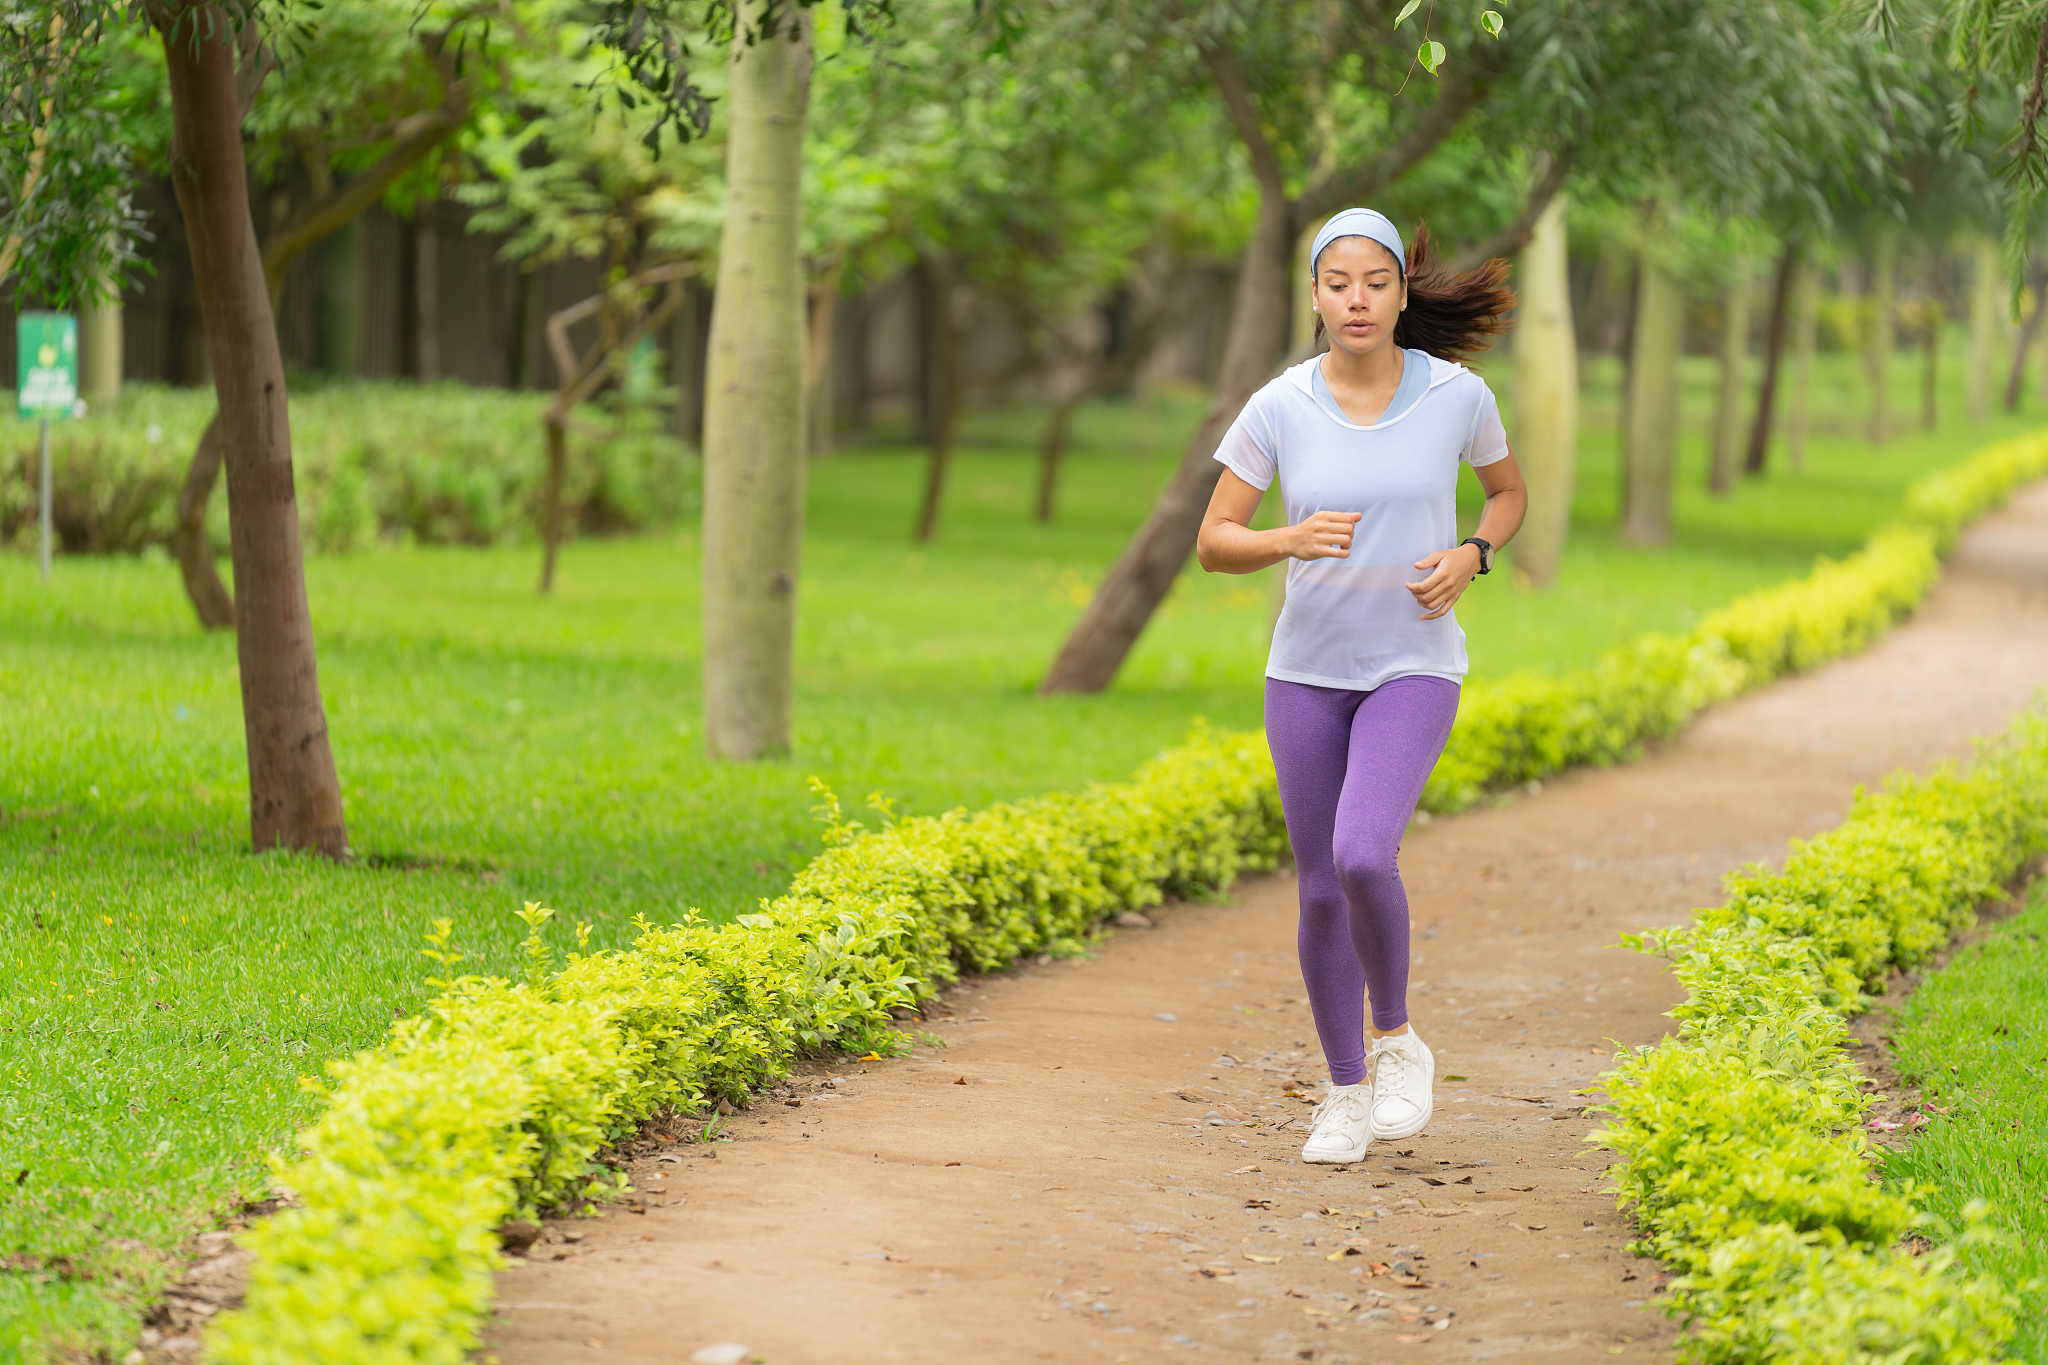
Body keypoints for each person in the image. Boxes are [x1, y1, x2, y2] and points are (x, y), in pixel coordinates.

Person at [1195, 207, 1527, 1164]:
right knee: (1317, 888)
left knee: (1363, 853)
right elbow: (1216, 540)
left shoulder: (1457, 396)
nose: (1357, 299)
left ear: (1400, 292)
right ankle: (1343, 1088)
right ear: (1313, 295)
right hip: (1304, 671)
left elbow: (1508, 494)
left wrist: (1474, 553)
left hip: (1414, 662)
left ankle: (1397, 1038)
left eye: (1375, 281)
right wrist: (1286, 539)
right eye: (1338, 282)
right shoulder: (1279, 406)